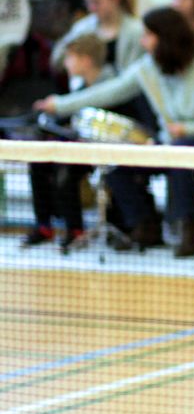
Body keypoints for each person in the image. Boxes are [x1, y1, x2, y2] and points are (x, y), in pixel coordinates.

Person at [37, 7, 194, 256]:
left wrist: (188, 128)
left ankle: (187, 228)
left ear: (164, 36)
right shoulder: (147, 67)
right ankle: (145, 224)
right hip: (170, 145)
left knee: (181, 152)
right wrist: (60, 104)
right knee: (116, 162)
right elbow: (109, 90)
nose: (142, 41)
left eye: (147, 35)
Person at [21, 34, 122, 252]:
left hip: (111, 153)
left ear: (86, 60)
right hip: (81, 148)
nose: (65, 63)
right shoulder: (79, 84)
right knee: (38, 161)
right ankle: (44, 225)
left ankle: (75, 229)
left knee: (64, 167)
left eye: (70, 57)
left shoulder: (111, 82)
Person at [51, 0, 145, 76]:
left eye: (96, 1)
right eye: (88, 2)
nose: (92, 8)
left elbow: (130, 78)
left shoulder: (136, 31)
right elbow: (57, 58)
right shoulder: (83, 28)